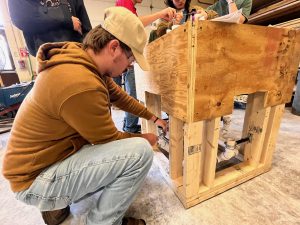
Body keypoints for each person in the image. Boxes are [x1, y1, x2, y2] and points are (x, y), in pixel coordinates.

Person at [2, 7, 167, 225]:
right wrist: (146, 139)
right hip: (34, 181)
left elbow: (121, 98)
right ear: (114, 47)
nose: (129, 66)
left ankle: (61, 202)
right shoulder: (81, 83)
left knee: (123, 150)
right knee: (139, 153)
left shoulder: (84, 61)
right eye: (130, 58)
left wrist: (154, 118)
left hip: (44, 162)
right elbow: (109, 140)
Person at [114, 0, 177, 133]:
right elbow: (133, 24)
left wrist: (155, 119)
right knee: (133, 95)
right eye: (130, 60)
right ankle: (130, 128)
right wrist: (160, 14)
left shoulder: (131, 7)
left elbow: (128, 103)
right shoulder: (125, 1)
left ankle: (129, 127)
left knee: (132, 97)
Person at [8, 0, 92, 56]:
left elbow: (87, 31)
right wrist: (66, 21)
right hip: (46, 58)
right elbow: (21, 19)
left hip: (76, 55)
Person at [149, 0, 218, 42]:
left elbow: (215, 15)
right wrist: (172, 25)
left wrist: (206, 14)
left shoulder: (194, 10)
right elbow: (158, 35)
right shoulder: (165, 14)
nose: (181, 1)